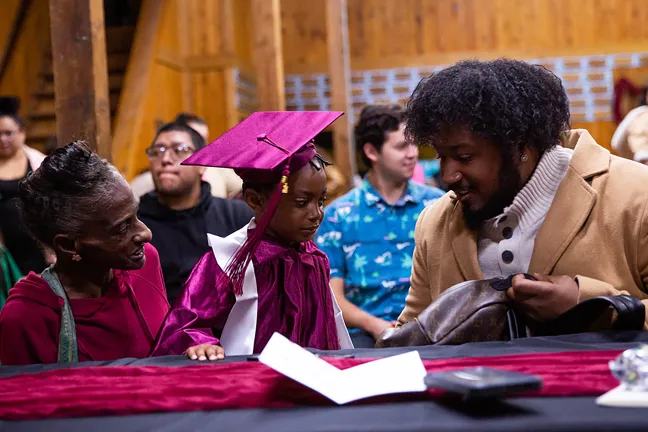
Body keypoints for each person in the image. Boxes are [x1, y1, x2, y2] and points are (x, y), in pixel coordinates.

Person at [398, 59, 648, 329]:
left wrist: (589, 302)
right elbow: (411, 332)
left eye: (465, 157)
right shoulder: (434, 224)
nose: (448, 176)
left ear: (521, 147)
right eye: (441, 156)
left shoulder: (634, 194)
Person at [151, 111, 353, 360]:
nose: (316, 214)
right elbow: (186, 324)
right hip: (248, 376)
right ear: (256, 201)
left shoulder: (314, 259)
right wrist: (202, 342)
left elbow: (326, 333)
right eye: (301, 202)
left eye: (321, 201)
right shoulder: (229, 262)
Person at [0, 141, 169, 365]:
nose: (145, 233)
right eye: (121, 228)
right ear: (69, 246)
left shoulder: (146, 262)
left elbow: (168, 348)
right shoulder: (26, 317)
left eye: (135, 215)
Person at [316, 105, 445, 348]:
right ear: (372, 152)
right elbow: (332, 297)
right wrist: (374, 325)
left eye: (414, 144)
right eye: (401, 146)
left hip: (433, 328)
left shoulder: (437, 204)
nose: (412, 154)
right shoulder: (338, 216)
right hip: (365, 334)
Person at [138, 122, 252, 305]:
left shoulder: (237, 216)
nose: (166, 158)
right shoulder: (136, 223)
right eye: (157, 150)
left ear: (202, 164)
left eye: (180, 149)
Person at [130, 113, 242, 199]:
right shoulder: (146, 183)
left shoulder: (218, 171)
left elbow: (241, 189)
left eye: (204, 140)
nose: (166, 159)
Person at [0, 96, 48, 275]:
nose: (3, 139)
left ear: (21, 133)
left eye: (8, 133)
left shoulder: (40, 163)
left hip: (39, 246)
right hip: (5, 251)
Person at [612, 86, 648, 165]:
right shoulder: (637, 114)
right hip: (640, 163)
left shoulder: (636, 114)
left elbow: (616, 143)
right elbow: (617, 143)